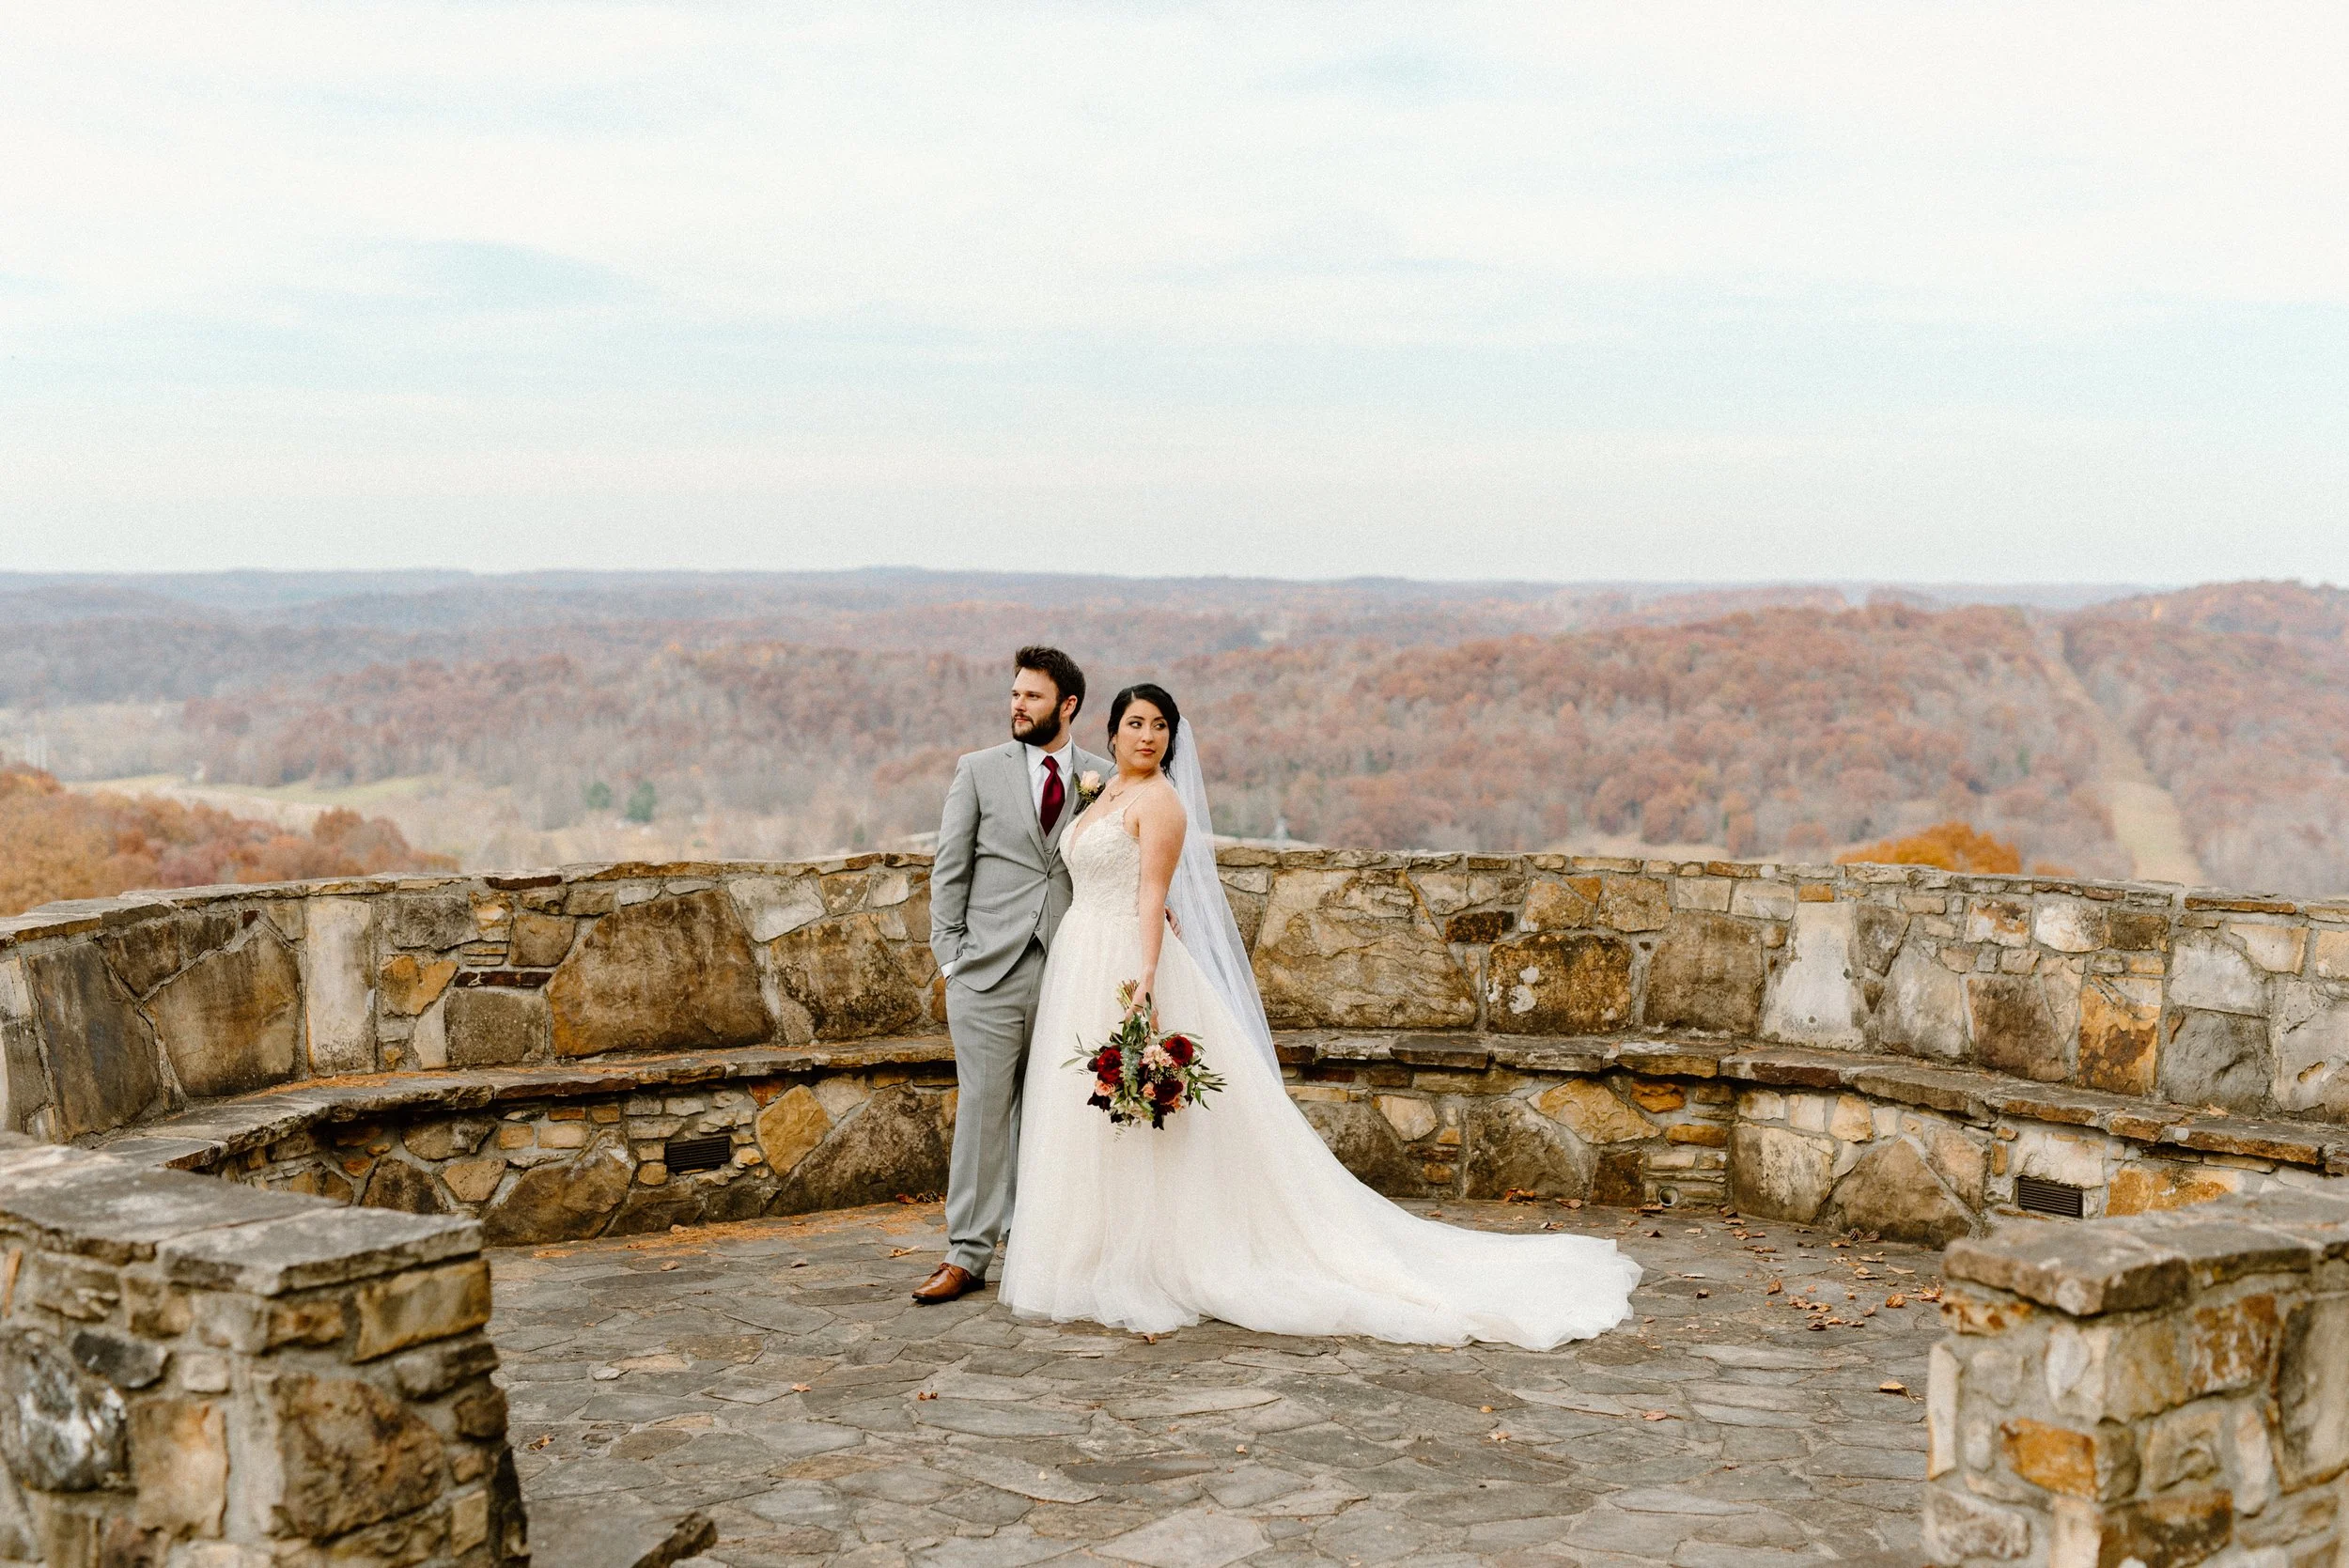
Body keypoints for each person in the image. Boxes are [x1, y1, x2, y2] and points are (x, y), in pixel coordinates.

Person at [996, 684, 1641, 1348]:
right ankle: (1097, 1248)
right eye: (1136, 723)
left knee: (1146, 1116)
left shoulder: (1161, 803)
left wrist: (1146, 984)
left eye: (1161, 725)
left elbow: (1152, 896)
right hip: (1081, 954)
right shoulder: (1100, 792)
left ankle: (1155, 1254)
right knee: (1091, 1121)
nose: (1148, 736)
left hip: (1127, 961)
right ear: (1111, 731)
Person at [914, 648, 1112, 1305]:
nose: (1017, 706)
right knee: (982, 1109)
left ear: (1069, 705)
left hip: (1069, 970)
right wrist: (951, 958)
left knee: (1053, 1113)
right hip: (986, 973)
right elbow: (949, 870)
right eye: (1014, 694)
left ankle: (1034, 1243)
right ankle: (966, 1252)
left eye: (1032, 696)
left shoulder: (1103, 778)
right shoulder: (977, 771)